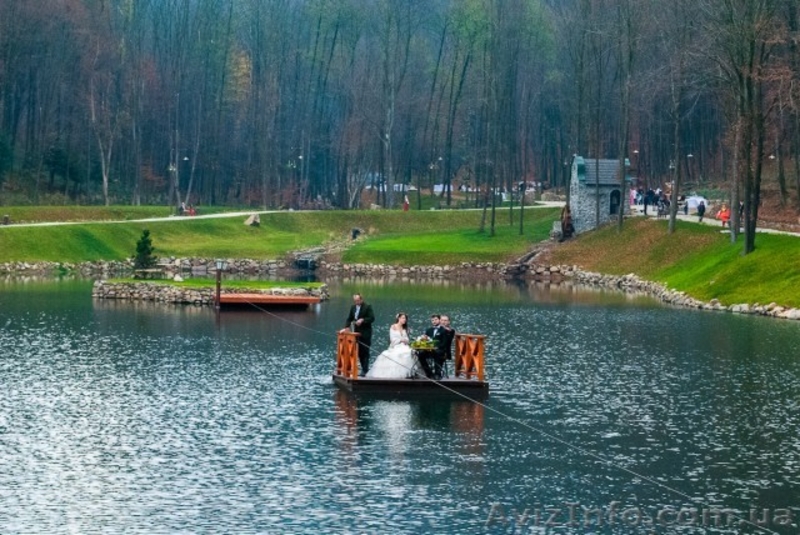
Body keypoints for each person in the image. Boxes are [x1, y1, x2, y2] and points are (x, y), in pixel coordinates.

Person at [366, 313, 418, 378]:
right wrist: (400, 340)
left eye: (405, 318)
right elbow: (392, 339)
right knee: (398, 354)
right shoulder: (393, 326)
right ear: (399, 318)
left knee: (411, 352)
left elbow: (407, 339)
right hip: (396, 345)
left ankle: (410, 373)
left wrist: (405, 340)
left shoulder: (405, 328)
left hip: (404, 345)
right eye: (403, 318)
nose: (404, 320)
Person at [341, 293, 375, 376]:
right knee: (359, 352)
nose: (356, 302)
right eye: (355, 301)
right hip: (356, 333)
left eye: (358, 300)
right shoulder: (353, 308)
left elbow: (372, 318)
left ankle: (365, 370)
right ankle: (364, 369)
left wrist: (363, 320)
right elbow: (349, 318)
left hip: (366, 332)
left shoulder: (367, 307)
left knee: (365, 351)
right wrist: (347, 327)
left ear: (361, 300)